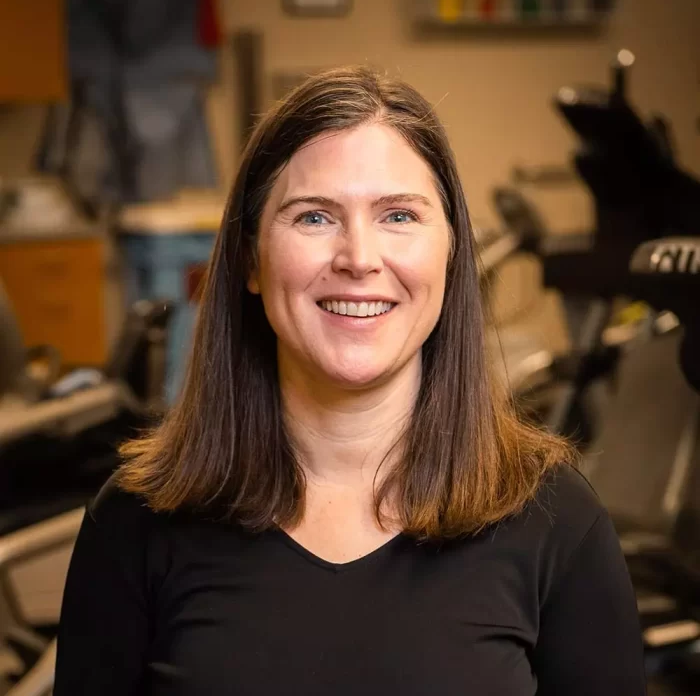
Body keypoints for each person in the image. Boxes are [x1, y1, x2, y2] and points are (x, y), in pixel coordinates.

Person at [55, 66, 646, 695]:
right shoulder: (136, 522)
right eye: (314, 217)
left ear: (449, 252)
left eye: (398, 216)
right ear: (250, 259)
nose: (359, 257)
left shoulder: (555, 521)